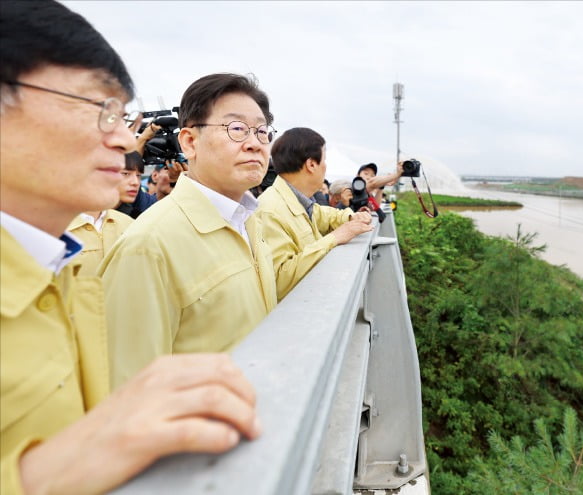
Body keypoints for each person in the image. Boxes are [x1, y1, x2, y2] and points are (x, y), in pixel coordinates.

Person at [0, 3, 261, 494]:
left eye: (120, 115)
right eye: (97, 109)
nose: (123, 139)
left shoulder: (64, 271)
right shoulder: (143, 242)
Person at [100, 72, 278, 387]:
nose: (254, 144)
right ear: (189, 142)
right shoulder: (148, 246)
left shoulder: (251, 221)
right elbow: (130, 394)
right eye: (236, 129)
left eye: (262, 132)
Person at [256, 127, 373, 301]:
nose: (325, 167)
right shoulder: (270, 210)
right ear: (311, 164)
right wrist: (335, 237)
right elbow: (279, 280)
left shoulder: (299, 200)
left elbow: (325, 215)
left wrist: (351, 217)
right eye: (324, 159)